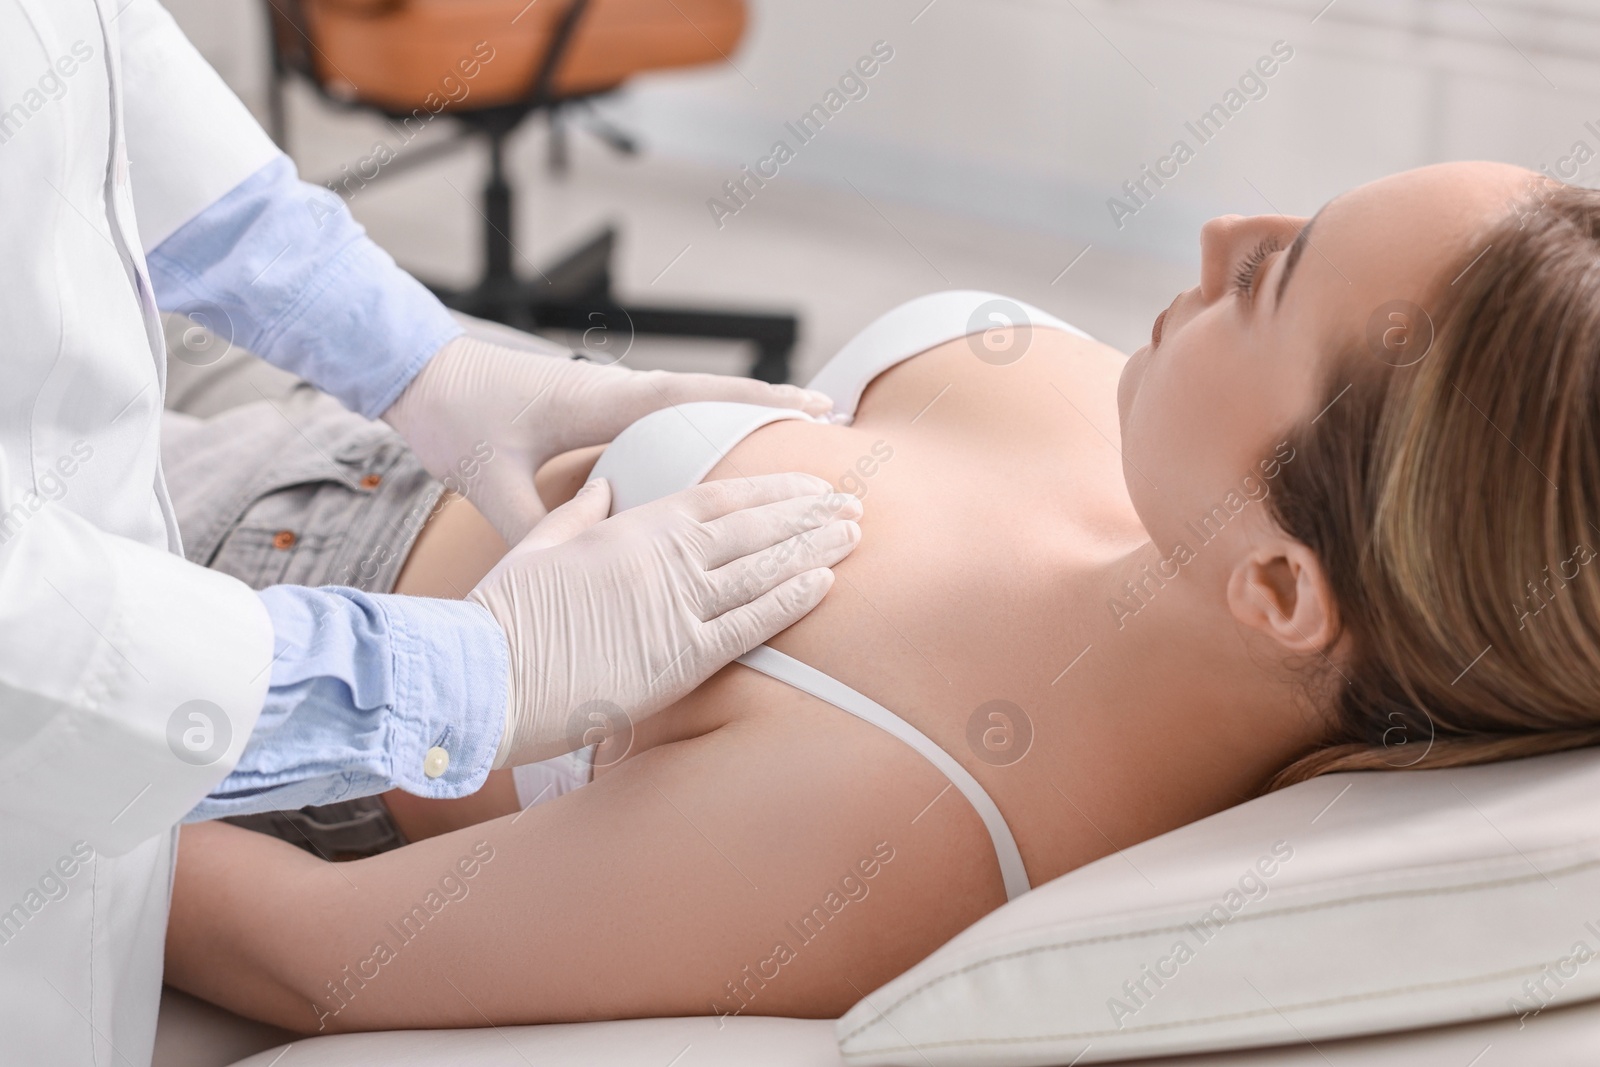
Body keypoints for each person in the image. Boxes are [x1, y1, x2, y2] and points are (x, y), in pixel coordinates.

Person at [164, 161, 1600, 1030]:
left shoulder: (886, 816)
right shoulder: (1184, 497)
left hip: (228, 618)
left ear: (1284, 583)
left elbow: (301, 952)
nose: (1225, 228)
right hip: (374, 405)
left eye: (1269, 282)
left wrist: (78, 715)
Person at [0, 4, 860, 1063]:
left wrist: (417, 359)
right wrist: (462, 676)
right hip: (197, 646)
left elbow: (90, 61)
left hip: (188, 548)